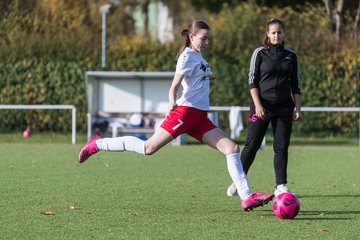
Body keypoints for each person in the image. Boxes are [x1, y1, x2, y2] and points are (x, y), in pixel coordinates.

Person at [78, 20, 274, 211]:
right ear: (191, 36)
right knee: (148, 148)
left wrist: (208, 77)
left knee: (231, 148)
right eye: (203, 39)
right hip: (185, 113)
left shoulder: (198, 57)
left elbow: (195, 78)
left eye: (208, 39)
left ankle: (247, 197)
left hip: (199, 117)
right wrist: (172, 100)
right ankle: (97, 144)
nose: (206, 43)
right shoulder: (187, 56)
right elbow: (175, 85)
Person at [227, 19, 301, 197]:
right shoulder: (259, 53)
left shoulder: (291, 55)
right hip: (261, 107)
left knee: (281, 147)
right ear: (267, 34)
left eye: (279, 32)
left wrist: (297, 107)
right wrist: (258, 104)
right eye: (273, 32)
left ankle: (280, 185)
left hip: (284, 108)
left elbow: (296, 83)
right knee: (251, 145)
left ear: (284, 34)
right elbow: (252, 80)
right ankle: (239, 181)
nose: (276, 35)